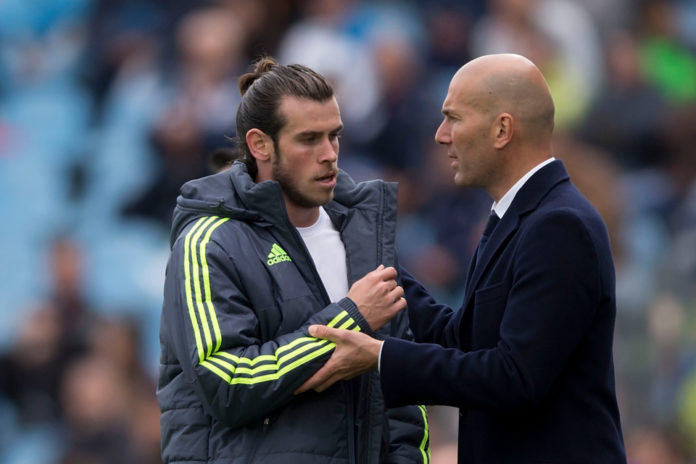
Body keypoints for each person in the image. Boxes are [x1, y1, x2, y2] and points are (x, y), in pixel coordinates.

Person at [299, 54, 627, 463]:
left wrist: (381, 356)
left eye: (453, 118)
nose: (440, 136)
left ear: (502, 129)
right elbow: (465, 342)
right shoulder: (518, 214)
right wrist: (371, 268)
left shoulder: (559, 225)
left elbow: (515, 378)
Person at [157, 56, 430, 464]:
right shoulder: (208, 242)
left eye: (334, 136)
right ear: (260, 144)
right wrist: (351, 317)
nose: (329, 154)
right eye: (309, 139)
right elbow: (227, 384)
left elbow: (401, 396)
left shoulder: (364, 239)